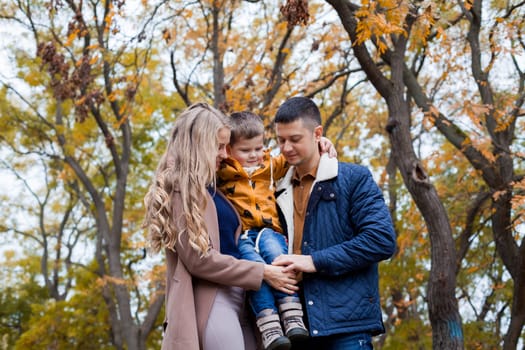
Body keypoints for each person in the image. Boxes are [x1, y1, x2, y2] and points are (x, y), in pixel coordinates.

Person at [143, 102, 299, 350]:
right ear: (199, 146)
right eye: (218, 147)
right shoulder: (180, 188)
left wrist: (321, 146)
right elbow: (198, 258)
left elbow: (265, 169)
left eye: (226, 146)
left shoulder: (215, 185)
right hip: (214, 299)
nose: (225, 154)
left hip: (245, 298)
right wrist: (262, 272)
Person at [271, 97, 397, 350]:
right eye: (280, 140)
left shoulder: (353, 178)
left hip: (346, 327)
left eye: (295, 139)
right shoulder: (273, 188)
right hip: (294, 327)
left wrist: (313, 261)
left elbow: (381, 240)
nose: (286, 148)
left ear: (317, 133)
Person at [217, 111, 333, 350]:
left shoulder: (270, 164)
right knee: (256, 273)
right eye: (246, 150)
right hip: (243, 235)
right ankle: (269, 327)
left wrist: (322, 143)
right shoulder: (221, 172)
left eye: (258, 148)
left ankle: (292, 317)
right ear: (229, 150)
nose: (254, 156)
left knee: (278, 259)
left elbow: (295, 156)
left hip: (269, 230)